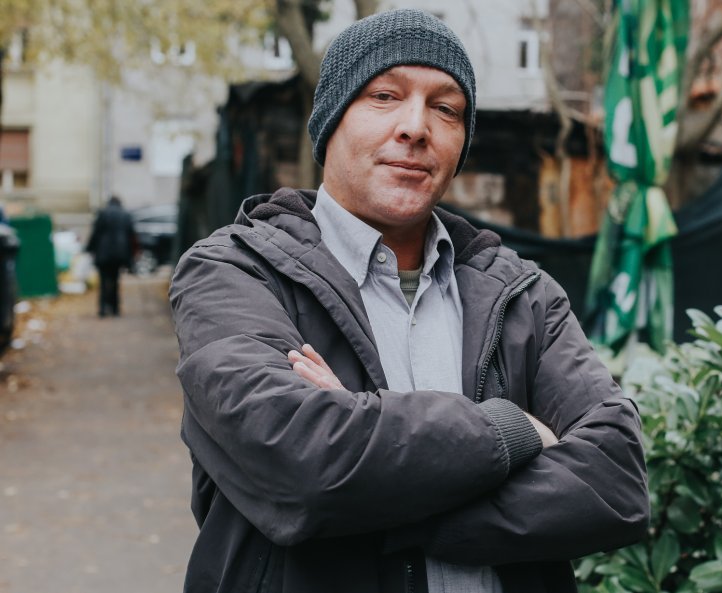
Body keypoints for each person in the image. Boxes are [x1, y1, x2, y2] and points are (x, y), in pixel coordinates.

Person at [170, 9, 649, 593]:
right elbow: (300, 461)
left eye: (446, 109)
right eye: (384, 96)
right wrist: (513, 431)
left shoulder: (525, 296)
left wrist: (380, 489)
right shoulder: (235, 272)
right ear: (331, 122)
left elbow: (617, 481)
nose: (416, 127)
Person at [86, 196, 135, 317]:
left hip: (103, 252)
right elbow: (131, 235)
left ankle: (102, 308)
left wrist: (89, 248)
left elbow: (96, 233)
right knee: (115, 280)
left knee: (103, 281)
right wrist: (130, 255)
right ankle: (115, 308)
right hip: (119, 253)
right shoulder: (125, 215)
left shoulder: (102, 214)